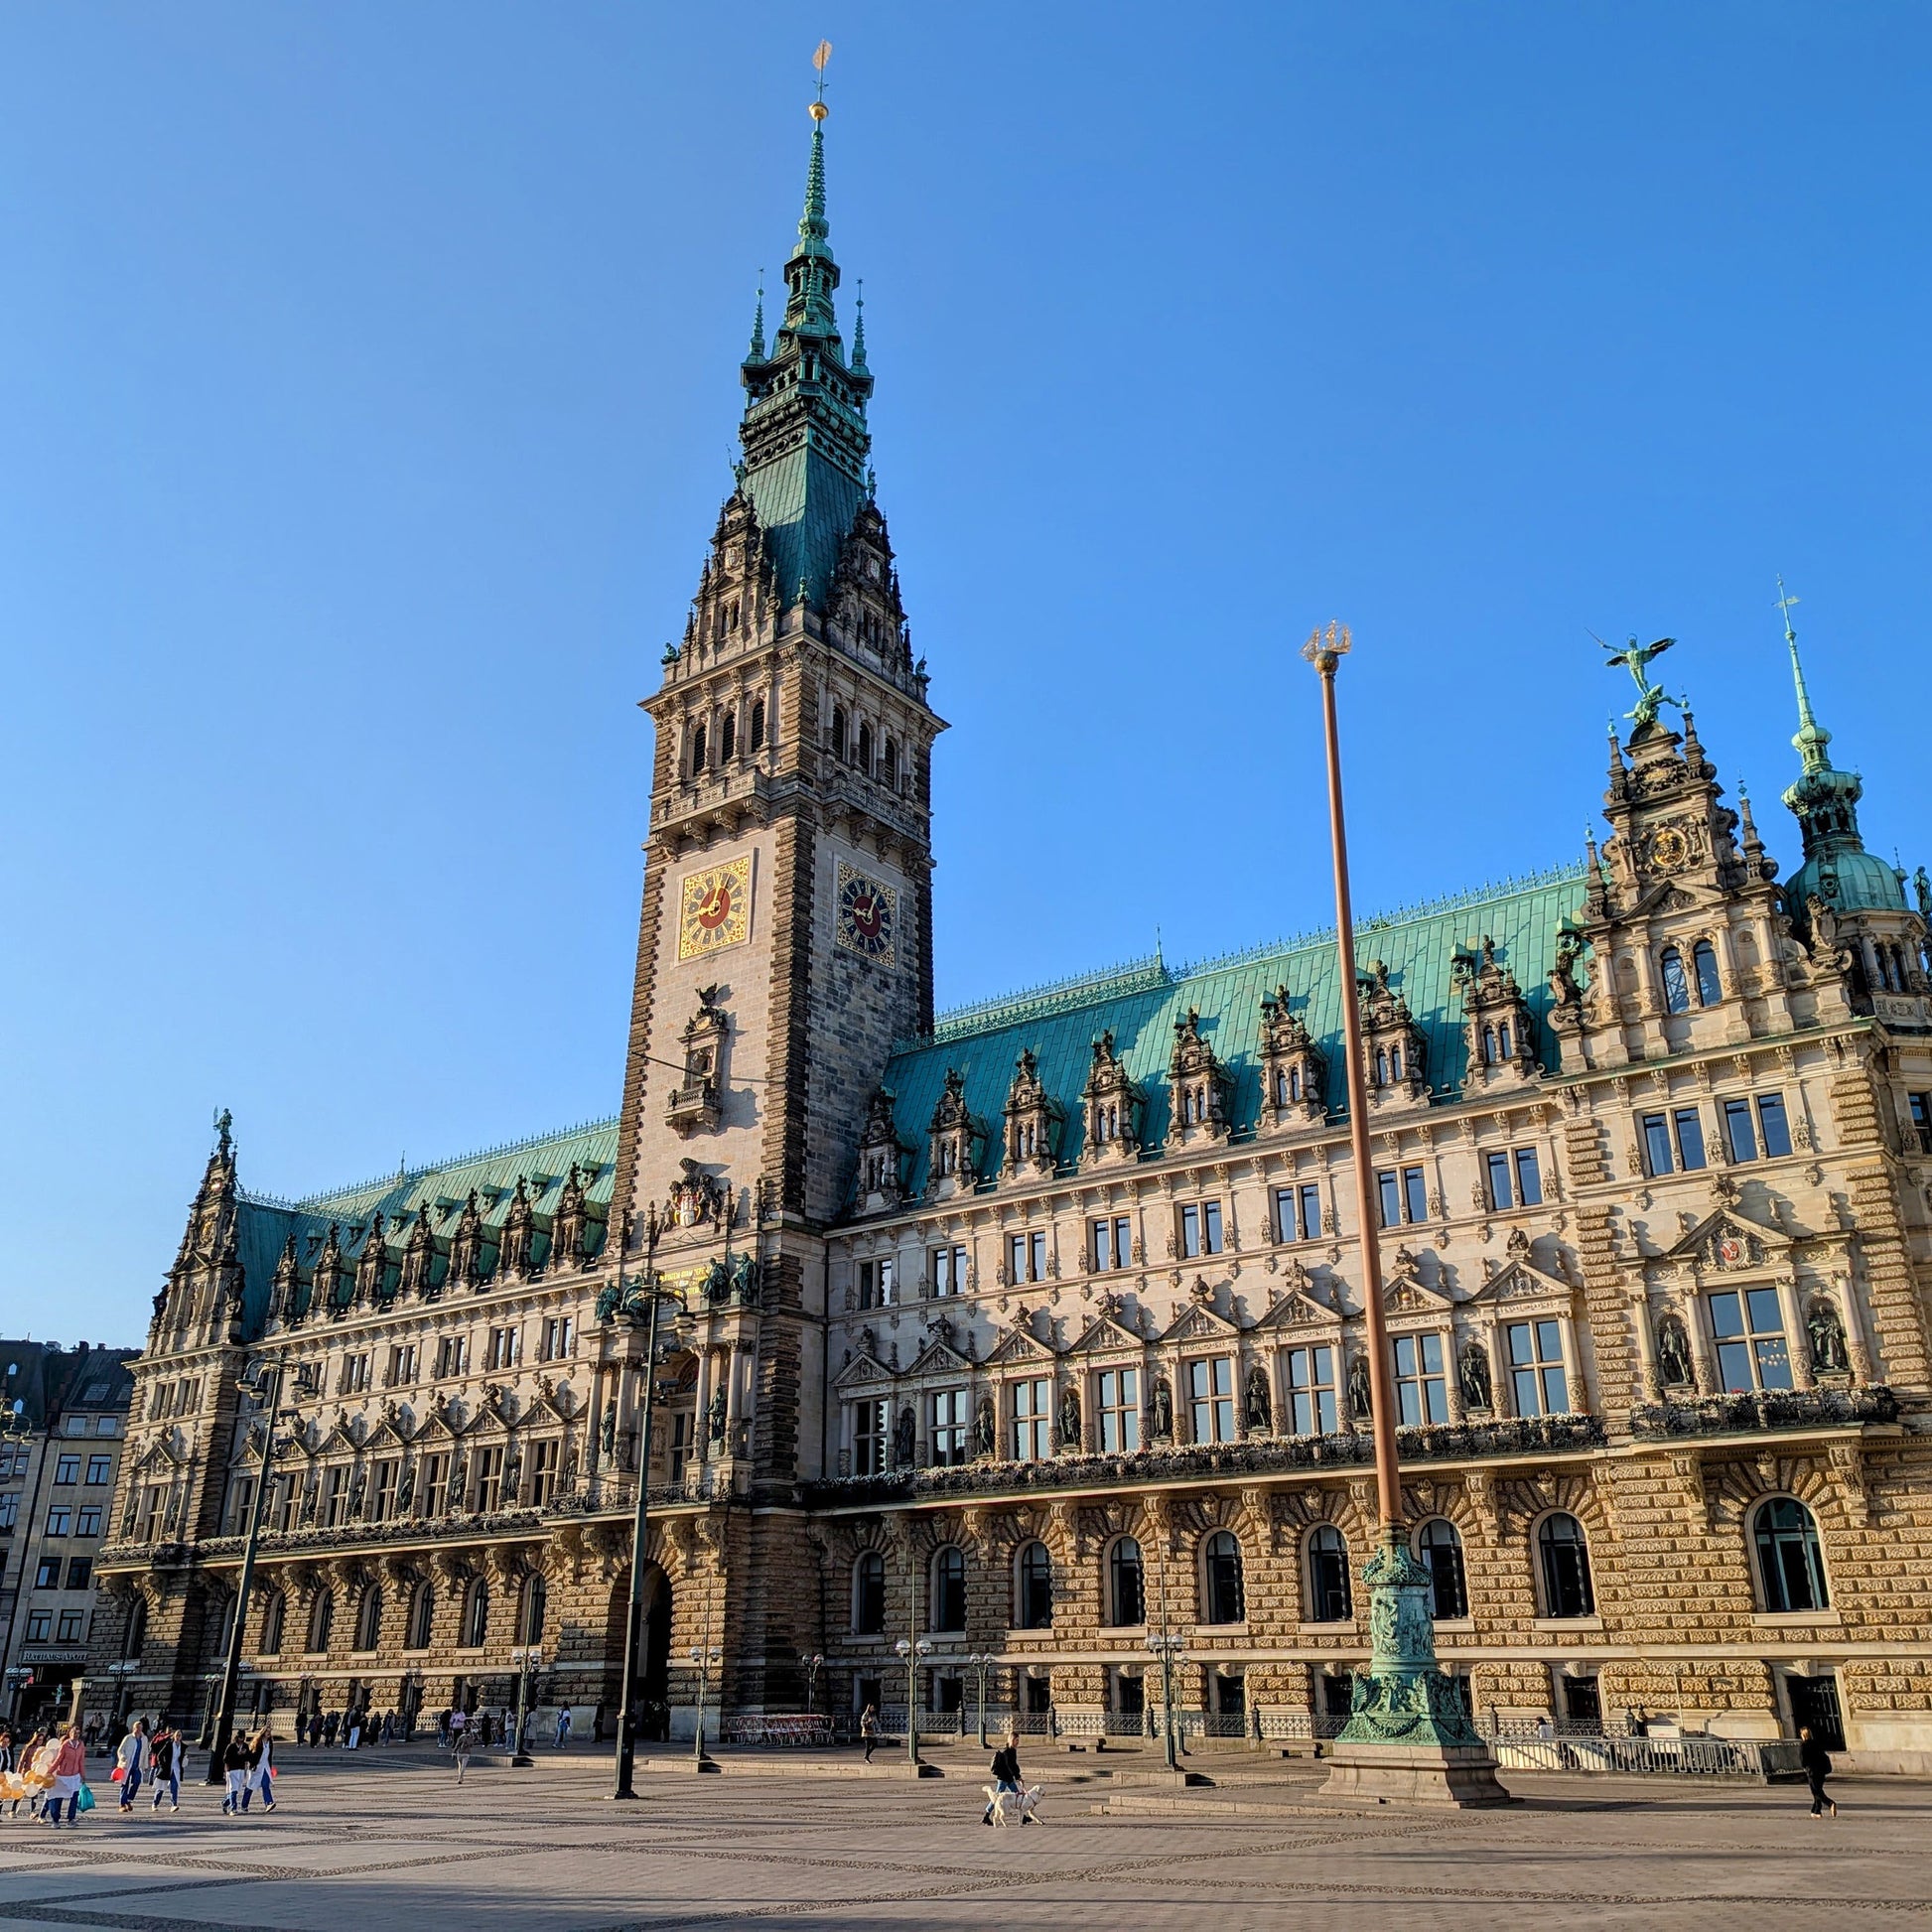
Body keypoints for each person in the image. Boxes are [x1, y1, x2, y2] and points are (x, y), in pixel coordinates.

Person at [42, 1725, 86, 1828]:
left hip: (74, 1775)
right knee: (58, 1797)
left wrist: (82, 1774)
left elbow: (81, 1761)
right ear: (69, 1734)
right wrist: (49, 1772)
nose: (76, 1735)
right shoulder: (65, 1745)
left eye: (78, 1733)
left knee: (74, 1797)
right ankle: (55, 1819)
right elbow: (58, 1760)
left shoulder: (81, 1745)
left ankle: (71, 1819)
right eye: (74, 1733)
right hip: (63, 1775)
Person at [982, 1731, 1026, 1826]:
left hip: (1008, 1778)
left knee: (1017, 1795)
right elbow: (1010, 1766)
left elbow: (1014, 1766)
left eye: (1018, 1740)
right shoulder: (1007, 1751)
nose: (1018, 1742)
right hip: (1003, 1778)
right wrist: (1017, 1777)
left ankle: (1024, 1817)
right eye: (1016, 1740)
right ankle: (986, 1816)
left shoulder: (1012, 1750)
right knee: (997, 1798)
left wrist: (1018, 1776)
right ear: (1012, 1740)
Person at [1800, 1725, 1838, 1818]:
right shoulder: (1816, 1744)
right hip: (1821, 1771)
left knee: (1816, 1792)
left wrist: (1805, 1767)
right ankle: (1816, 1811)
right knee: (1817, 1790)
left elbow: (1803, 1760)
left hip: (1812, 1771)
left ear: (1803, 1735)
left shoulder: (1803, 1745)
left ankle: (1830, 1803)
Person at [114, 1719, 150, 1813]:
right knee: (124, 1784)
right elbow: (120, 1750)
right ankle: (122, 1804)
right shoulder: (128, 1738)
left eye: (140, 1728)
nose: (138, 1730)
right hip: (127, 1764)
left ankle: (129, 1799)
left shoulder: (144, 1739)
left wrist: (145, 1765)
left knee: (137, 1782)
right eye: (137, 1728)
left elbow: (145, 1752)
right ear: (133, 1728)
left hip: (137, 1765)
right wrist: (122, 1757)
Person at [148, 1725, 181, 1812]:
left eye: (179, 1735)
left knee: (174, 1787)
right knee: (161, 1788)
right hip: (166, 1769)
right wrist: (162, 1765)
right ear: (174, 1736)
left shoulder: (182, 1746)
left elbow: (180, 1757)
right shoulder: (169, 1744)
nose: (178, 1737)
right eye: (177, 1735)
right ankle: (155, 1803)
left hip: (175, 1769)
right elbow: (160, 1755)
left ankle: (174, 1805)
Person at [245, 1725, 275, 1813]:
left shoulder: (270, 1743)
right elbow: (252, 1755)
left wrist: (270, 1767)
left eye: (269, 1731)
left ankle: (269, 1802)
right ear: (263, 1732)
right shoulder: (258, 1742)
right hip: (256, 1766)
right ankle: (244, 1804)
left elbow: (269, 1757)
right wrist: (252, 1765)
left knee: (265, 1784)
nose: (269, 1733)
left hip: (265, 1766)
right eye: (267, 1731)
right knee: (250, 1786)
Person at [220, 1731, 251, 1816]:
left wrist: (244, 1754)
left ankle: (225, 1802)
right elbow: (226, 1759)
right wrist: (237, 1754)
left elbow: (248, 1757)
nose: (241, 1739)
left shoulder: (245, 1746)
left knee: (237, 1789)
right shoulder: (231, 1746)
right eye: (240, 1737)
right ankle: (233, 1808)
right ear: (237, 1737)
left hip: (241, 1769)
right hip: (232, 1770)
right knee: (233, 1789)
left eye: (243, 1737)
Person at [453, 1720, 476, 1786]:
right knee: (463, 1767)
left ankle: (460, 1778)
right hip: (466, 1753)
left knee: (460, 1767)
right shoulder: (470, 1737)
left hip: (460, 1752)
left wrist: (454, 1752)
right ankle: (460, 1778)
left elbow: (457, 1745)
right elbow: (472, 1744)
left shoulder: (461, 1737)